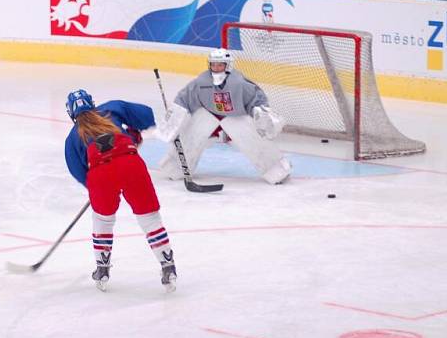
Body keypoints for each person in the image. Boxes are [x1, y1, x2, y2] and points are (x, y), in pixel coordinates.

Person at [64, 89, 177, 292]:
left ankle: (102, 269)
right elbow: (146, 116)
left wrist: (96, 188)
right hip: (131, 163)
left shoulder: (72, 138)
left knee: (102, 219)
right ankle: (168, 266)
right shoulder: (111, 108)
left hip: (101, 174)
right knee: (149, 218)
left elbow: (79, 171)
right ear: (92, 102)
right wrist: (133, 132)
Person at [157, 49, 291, 185]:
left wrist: (261, 113)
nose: (216, 68)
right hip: (207, 114)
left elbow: (256, 99)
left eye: (220, 65)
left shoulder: (239, 83)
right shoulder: (201, 81)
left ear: (228, 65)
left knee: (253, 140)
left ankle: (276, 169)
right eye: (213, 65)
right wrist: (175, 117)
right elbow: (184, 98)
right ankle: (174, 168)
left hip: (235, 116)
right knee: (190, 137)